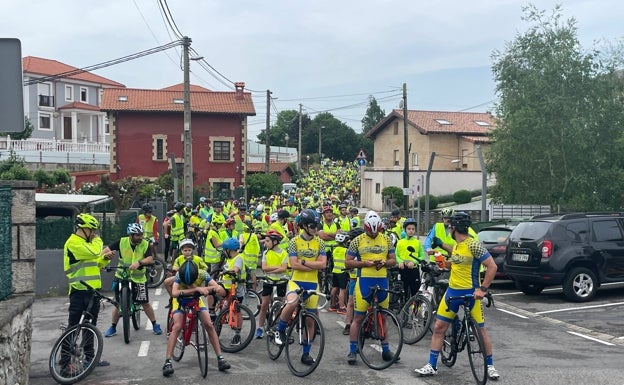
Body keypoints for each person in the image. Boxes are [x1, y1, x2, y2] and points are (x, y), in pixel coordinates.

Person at [414, 212, 499, 380]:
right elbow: (455, 260)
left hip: (471, 292)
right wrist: (443, 263)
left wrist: (482, 289)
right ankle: (432, 365)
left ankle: (490, 366)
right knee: (439, 328)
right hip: (453, 291)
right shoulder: (458, 245)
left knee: (480, 331)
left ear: (453, 228)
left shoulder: (473, 245)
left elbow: (492, 266)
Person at [273, 209, 327, 367]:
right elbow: (294, 264)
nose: (315, 228)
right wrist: (312, 264)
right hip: (296, 281)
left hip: (312, 283)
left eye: (317, 225)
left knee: (310, 321)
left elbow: (323, 264)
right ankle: (280, 329)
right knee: (292, 302)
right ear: (304, 226)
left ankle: (306, 353)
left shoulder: (320, 242)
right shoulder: (294, 241)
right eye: (312, 225)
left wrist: (304, 262)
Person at [345, 210, 396, 365]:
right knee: (358, 317)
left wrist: (385, 263)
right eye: (370, 232)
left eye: (376, 232)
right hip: (364, 280)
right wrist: (364, 263)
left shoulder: (387, 239)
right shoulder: (358, 240)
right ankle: (353, 351)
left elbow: (393, 260)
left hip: (382, 280)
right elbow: (348, 262)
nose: (373, 235)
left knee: (384, 316)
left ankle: (386, 350)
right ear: (366, 228)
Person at [163, 260, 230, 376]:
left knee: (209, 324)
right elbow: (174, 293)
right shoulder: (179, 275)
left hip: (195, 299)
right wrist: (196, 289)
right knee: (177, 326)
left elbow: (217, 288)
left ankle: (221, 358)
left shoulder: (202, 273)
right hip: (180, 300)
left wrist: (209, 290)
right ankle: (167, 362)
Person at [63, 213, 112, 368]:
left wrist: (104, 259)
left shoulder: (85, 243)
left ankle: (90, 358)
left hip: (92, 291)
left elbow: (94, 262)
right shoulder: (73, 243)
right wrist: (98, 242)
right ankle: (64, 362)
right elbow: (93, 252)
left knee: (90, 326)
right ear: (83, 228)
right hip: (78, 290)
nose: (94, 233)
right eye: (92, 230)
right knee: (73, 327)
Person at [102, 223, 162, 337]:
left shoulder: (145, 244)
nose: (140, 237)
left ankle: (155, 324)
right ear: (131, 235)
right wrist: (102, 259)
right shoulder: (122, 242)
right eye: (138, 235)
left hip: (139, 278)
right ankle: (113, 327)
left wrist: (139, 263)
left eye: (141, 234)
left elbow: (150, 258)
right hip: (122, 276)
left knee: (144, 302)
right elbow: (106, 250)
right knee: (118, 303)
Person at [256, 229, 289, 339]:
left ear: (275, 242)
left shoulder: (284, 253)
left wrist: (272, 270)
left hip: (281, 282)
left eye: (267, 241)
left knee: (280, 305)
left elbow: (284, 268)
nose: (265, 243)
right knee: (264, 305)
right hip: (268, 281)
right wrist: (277, 268)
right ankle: (260, 327)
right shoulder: (266, 253)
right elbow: (264, 268)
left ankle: (278, 327)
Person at [395, 218, 427, 299]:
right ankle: (403, 308)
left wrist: (414, 262)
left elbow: (422, 256)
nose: (411, 231)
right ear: (405, 229)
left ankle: (414, 310)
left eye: (413, 229)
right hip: (402, 270)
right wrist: (400, 262)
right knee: (403, 293)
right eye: (409, 229)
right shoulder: (400, 242)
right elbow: (396, 255)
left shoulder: (417, 242)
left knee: (415, 293)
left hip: (414, 270)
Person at [342, 227, 363, 335]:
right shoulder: (350, 249)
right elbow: (347, 262)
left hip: (364, 278)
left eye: (352, 238)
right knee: (351, 302)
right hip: (354, 279)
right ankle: (348, 324)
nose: (350, 240)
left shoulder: (364, 248)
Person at [330, 232, 350, 314]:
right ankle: (341, 307)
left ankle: (333, 305)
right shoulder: (346, 250)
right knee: (343, 289)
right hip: (343, 271)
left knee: (335, 288)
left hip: (335, 270)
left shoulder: (335, 250)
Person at [239, 220, 260, 291]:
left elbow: (240, 243)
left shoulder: (242, 235)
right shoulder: (254, 235)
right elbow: (258, 246)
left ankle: (243, 290)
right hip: (254, 259)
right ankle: (254, 291)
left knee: (243, 274)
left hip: (245, 258)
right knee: (253, 275)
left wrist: (239, 249)